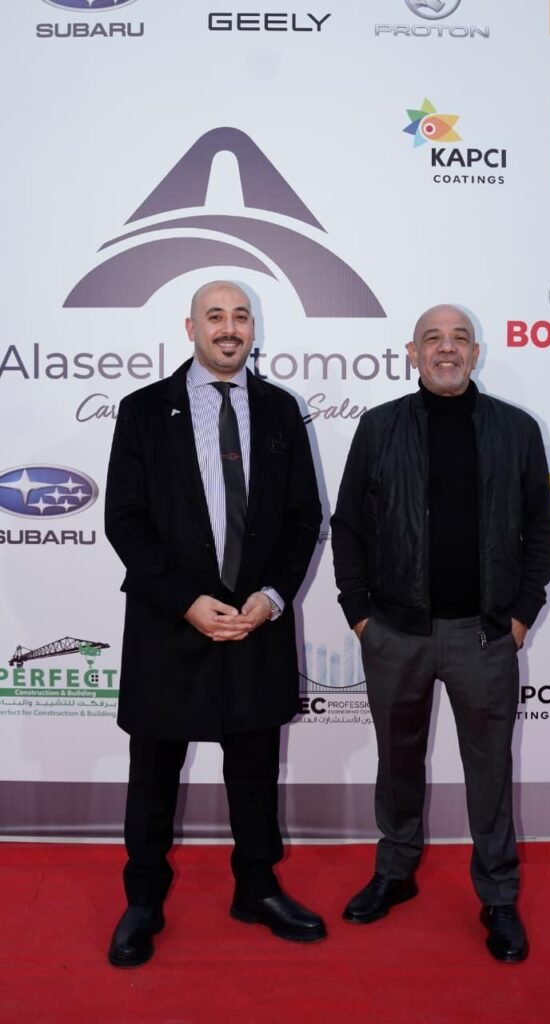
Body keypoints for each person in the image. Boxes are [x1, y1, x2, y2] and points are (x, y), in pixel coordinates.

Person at [105, 280, 325, 967]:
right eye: (215, 317)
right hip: (170, 623)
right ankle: (143, 902)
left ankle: (256, 889)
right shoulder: (144, 410)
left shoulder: (282, 409)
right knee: (153, 774)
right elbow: (125, 520)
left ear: (252, 329)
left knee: (255, 769)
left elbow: (303, 517)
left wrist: (273, 596)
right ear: (191, 328)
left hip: (256, 621)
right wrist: (185, 601)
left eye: (240, 316)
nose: (229, 328)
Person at [331, 304, 550, 963]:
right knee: (397, 762)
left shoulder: (516, 430)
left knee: (490, 770)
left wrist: (521, 614)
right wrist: (359, 613)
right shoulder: (380, 427)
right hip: (395, 633)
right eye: (433, 338)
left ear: (476, 353)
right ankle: (395, 871)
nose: (447, 348)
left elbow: (539, 529)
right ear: (413, 352)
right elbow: (348, 526)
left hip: (484, 637)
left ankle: (499, 896)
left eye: (459, 338)